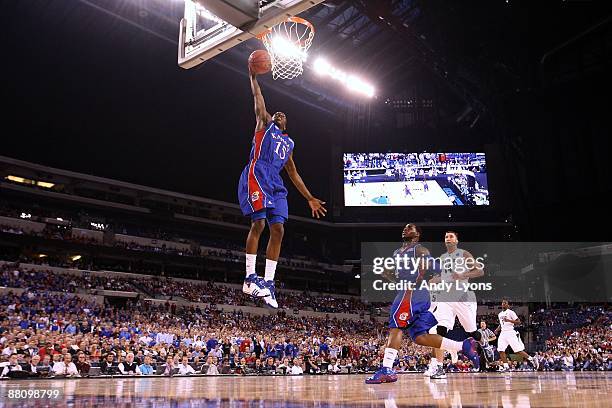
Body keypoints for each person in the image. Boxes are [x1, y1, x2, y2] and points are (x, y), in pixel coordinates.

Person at [238, 67, 326, 308]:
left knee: (279, 229)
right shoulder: (263, 124)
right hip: (257, 172)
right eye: (276, 112)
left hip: (276, 182)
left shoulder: (288, 143)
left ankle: (268, 283)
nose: (279, 113)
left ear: (286, 124)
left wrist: (309, 197)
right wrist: (253, 77)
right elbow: (258, 99)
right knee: (259, 223)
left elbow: (293, 173)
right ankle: (249, 278)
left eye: (283, 114)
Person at [365, 224, 480, 384]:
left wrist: (431, 273)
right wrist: (388, 275)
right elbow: (397, 278)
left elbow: (438, 269)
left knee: (396, 327)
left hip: (413, 292)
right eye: (405, 228)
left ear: (417, 234)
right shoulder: (397, 252)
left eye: (410, 228)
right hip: (409, 291)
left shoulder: (419, 250)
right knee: (420, 337)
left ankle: (386, 369)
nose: (405, 229)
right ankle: (462, 346)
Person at [426, 231, 484, 379]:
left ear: (457, 240)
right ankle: (439, 367)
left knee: (472, 332)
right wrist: (434, 280)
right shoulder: (442, 258)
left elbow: (479, 271)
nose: (448, 238)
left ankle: (484, 344)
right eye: (446, 236)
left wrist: (464, 275)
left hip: (463, 297)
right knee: (438, 330)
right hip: (446, 298)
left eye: (451, 236)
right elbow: (444, 277)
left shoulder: (464, 254)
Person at [495, 299, 539, 371]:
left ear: (508, 305)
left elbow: (518, 322)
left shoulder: (511, 312)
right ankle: (506, 367)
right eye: (502, 303)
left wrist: (509, 320)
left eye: (505, 303)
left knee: (517, 351)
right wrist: (497, 330)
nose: (503, 304)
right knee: (500, 350)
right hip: (503, 333)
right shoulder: (500, 314)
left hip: (510, 332)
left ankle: (532, 359)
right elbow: (501, 324)